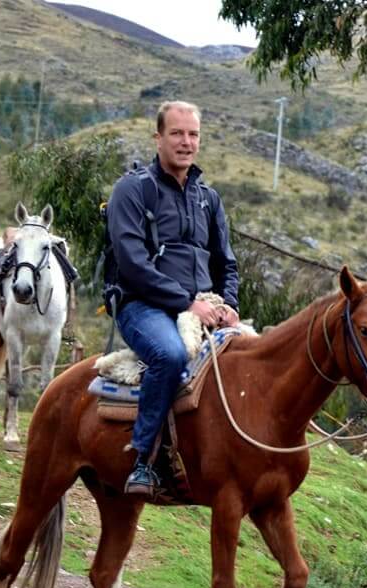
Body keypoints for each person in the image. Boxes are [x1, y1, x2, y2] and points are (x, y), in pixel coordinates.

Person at [105, 100, 239, 496]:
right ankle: (143, 461)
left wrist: (229, 304)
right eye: (177, 133)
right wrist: (186, 303)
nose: (186, 142)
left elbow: (226, 263)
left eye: (193, 134)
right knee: (170, 354)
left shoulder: (208, 199)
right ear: (158, 138)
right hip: (141, 305)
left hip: (203, 305)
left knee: (253, 360)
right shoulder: (132, 190)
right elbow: (132, 263)